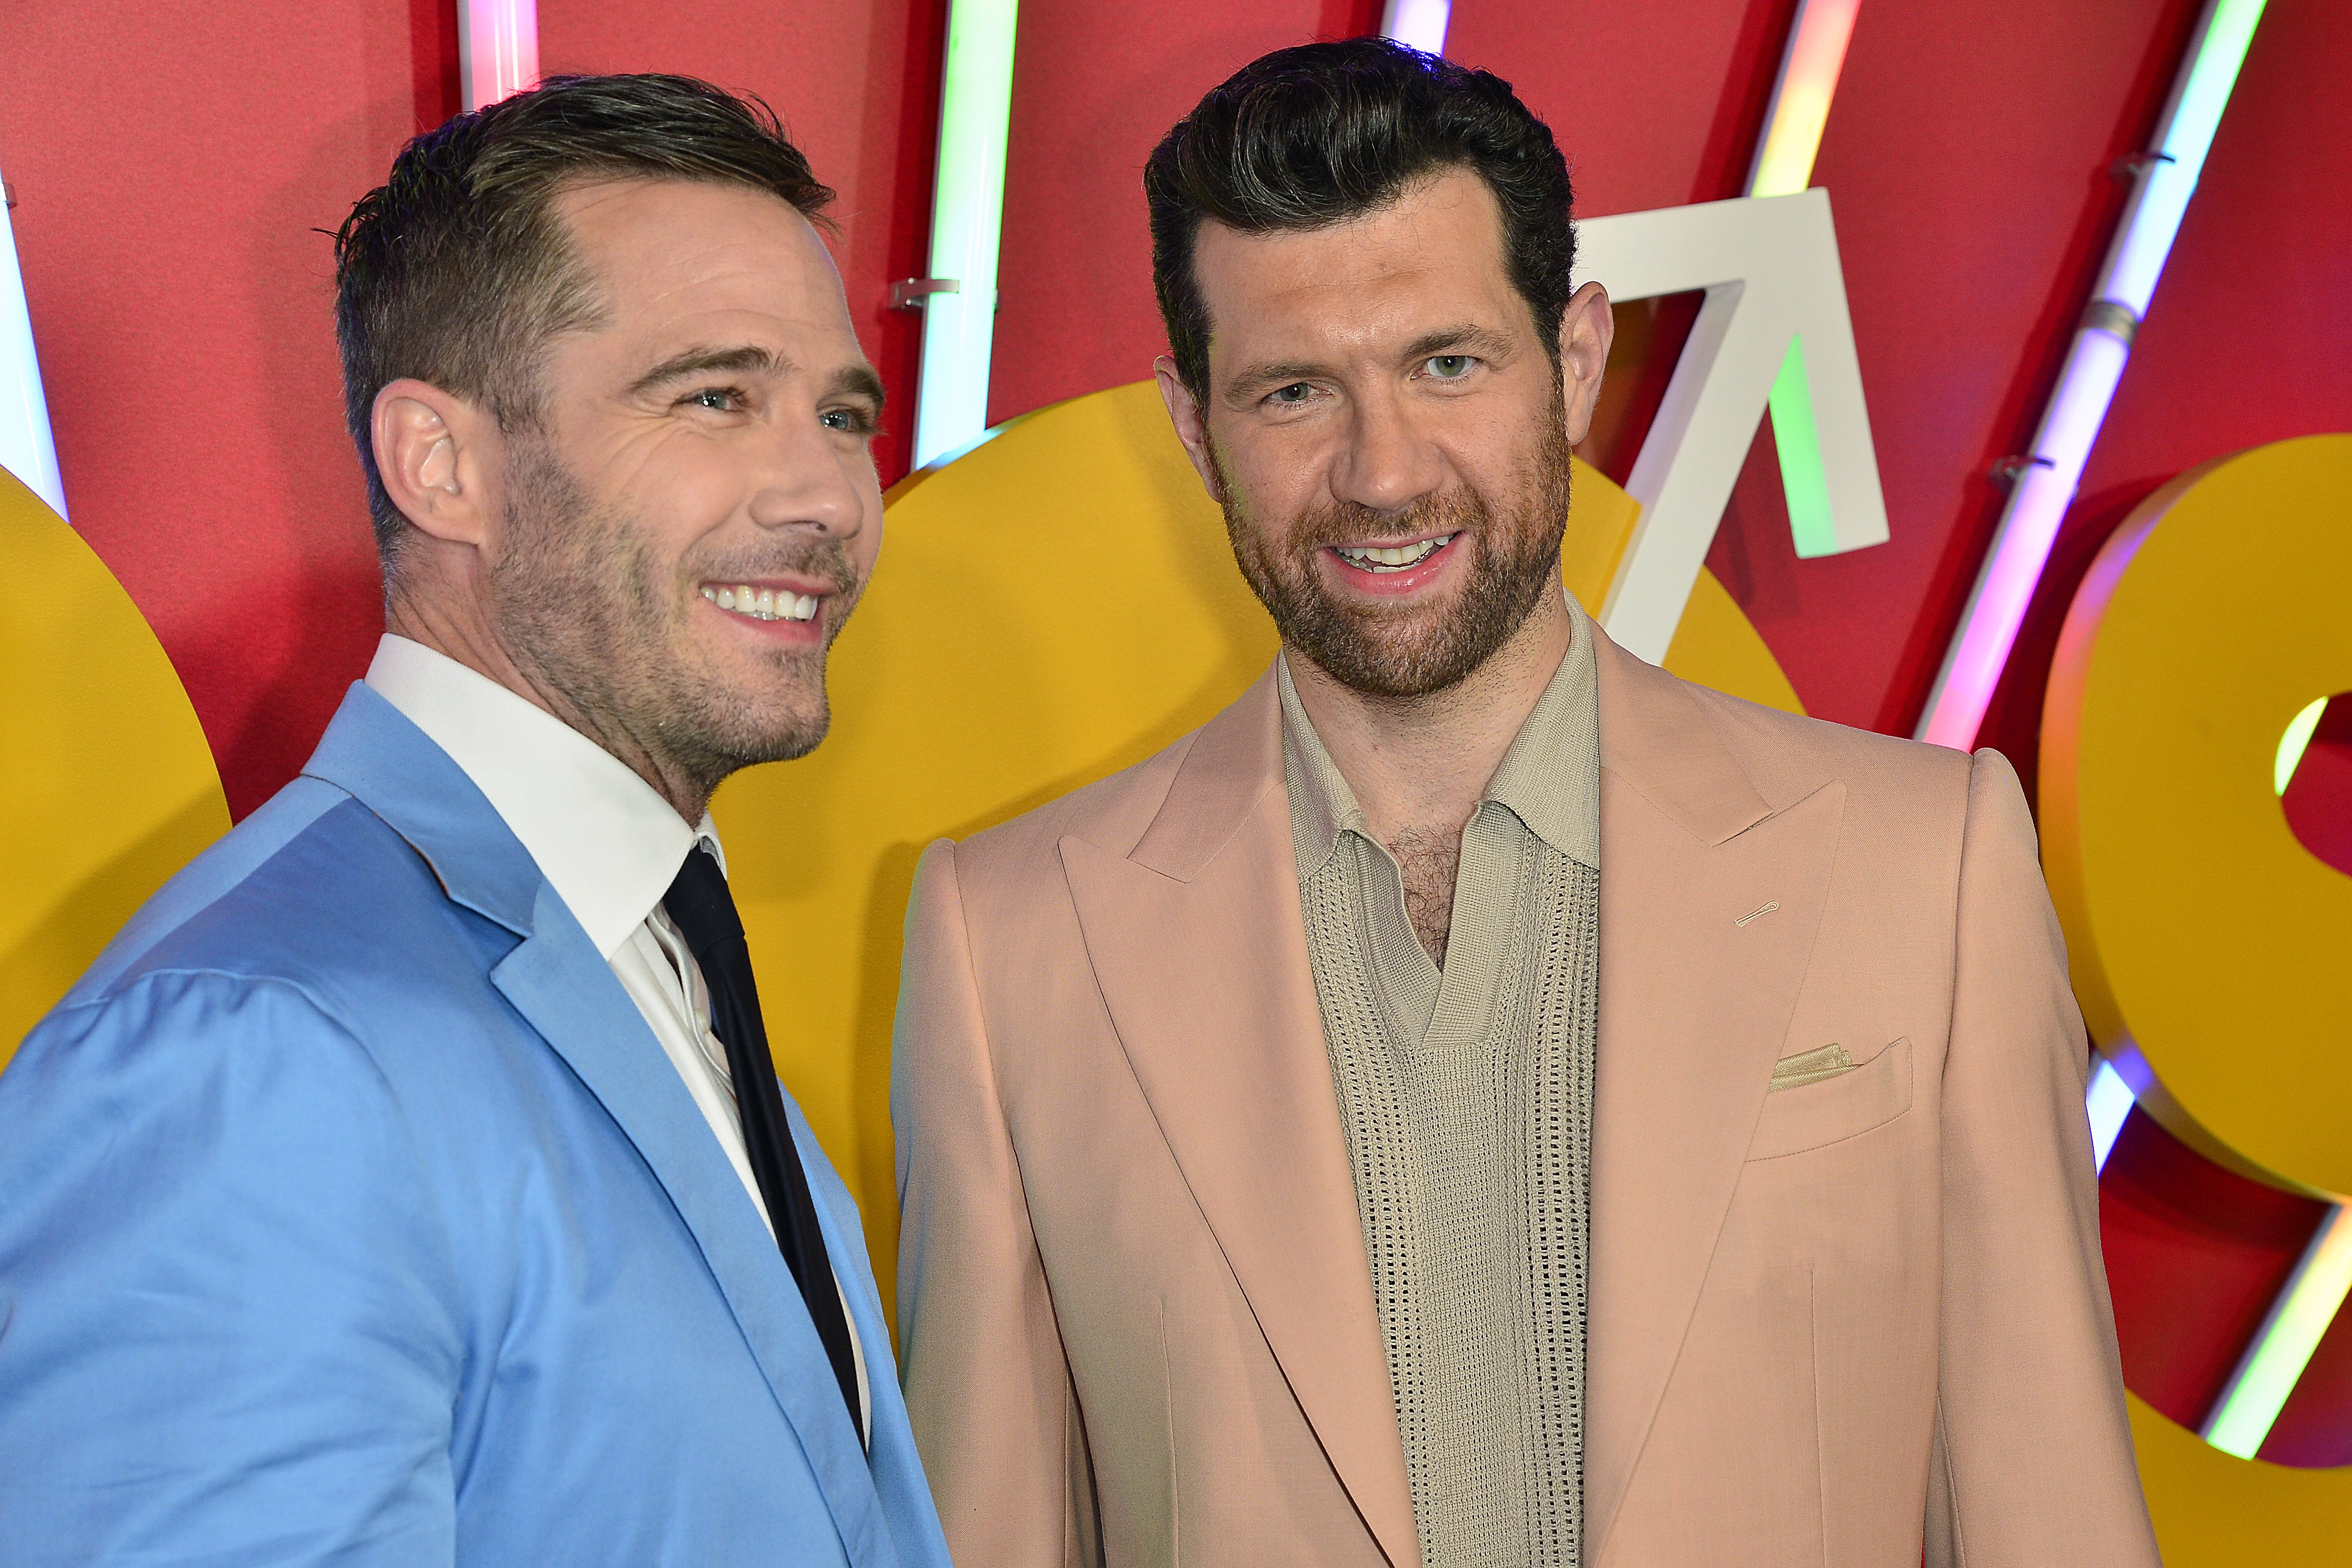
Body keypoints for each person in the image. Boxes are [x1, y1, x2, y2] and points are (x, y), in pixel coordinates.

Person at [892, 38, 2158, 1568]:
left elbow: (2050, 1522)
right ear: (1191, 425)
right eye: (1294, 390)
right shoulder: (1007, 945)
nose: (1379, 472)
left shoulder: (1923, 869)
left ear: (1569, 362)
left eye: (1446, 363)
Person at [0, 75, 950, 1567]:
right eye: (714, 395)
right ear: (441, 465)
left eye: (842, 411)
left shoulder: (658, 946)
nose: (829, 491)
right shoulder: (250, 1048)